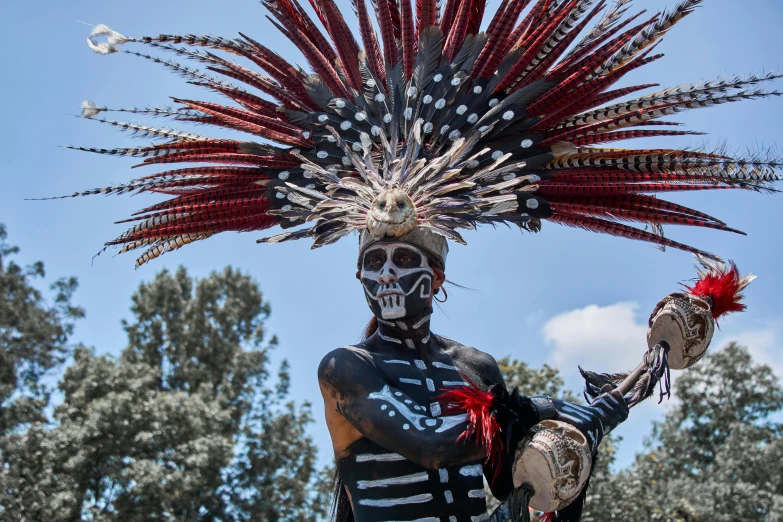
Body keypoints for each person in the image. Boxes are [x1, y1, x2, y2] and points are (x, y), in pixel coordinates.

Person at [318, 228, 629, 522]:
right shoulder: (345, 368)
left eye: (404, 259)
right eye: (373, 262)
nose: (386, 274)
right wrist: (541, 409)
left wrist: (581, 431)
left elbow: (508, 482)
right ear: (360, 277)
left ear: (436, 276)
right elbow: (430, 443)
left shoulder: (475, 366)